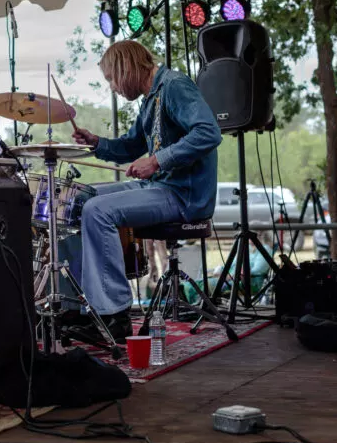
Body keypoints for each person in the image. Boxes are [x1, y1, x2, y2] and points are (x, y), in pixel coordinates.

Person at [68, 40, 222, 342]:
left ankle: (115, 316)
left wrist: (156, 161)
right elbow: (132, 145)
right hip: (161, 187)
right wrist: (97, 143)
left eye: (112, 78)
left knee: (97, 210)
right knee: (83, 197)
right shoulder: (151, 98)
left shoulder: (175, 86)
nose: (112, 86)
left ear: (126, 68)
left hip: (184, 196)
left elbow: (208, 132)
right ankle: (86, 307)